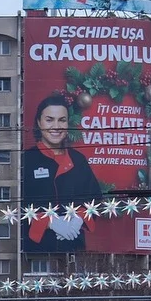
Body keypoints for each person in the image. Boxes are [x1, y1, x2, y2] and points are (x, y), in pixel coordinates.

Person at [20, 94, 104, 253]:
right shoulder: (27, 159)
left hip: (74, 247)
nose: (56, 126)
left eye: (62, 120)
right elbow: (19, 203)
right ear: (39, 122)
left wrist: (77, 220)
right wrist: (50, 223)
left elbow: (95, 198)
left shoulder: (78, 160)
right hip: (36, 250)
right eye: (49, 120)